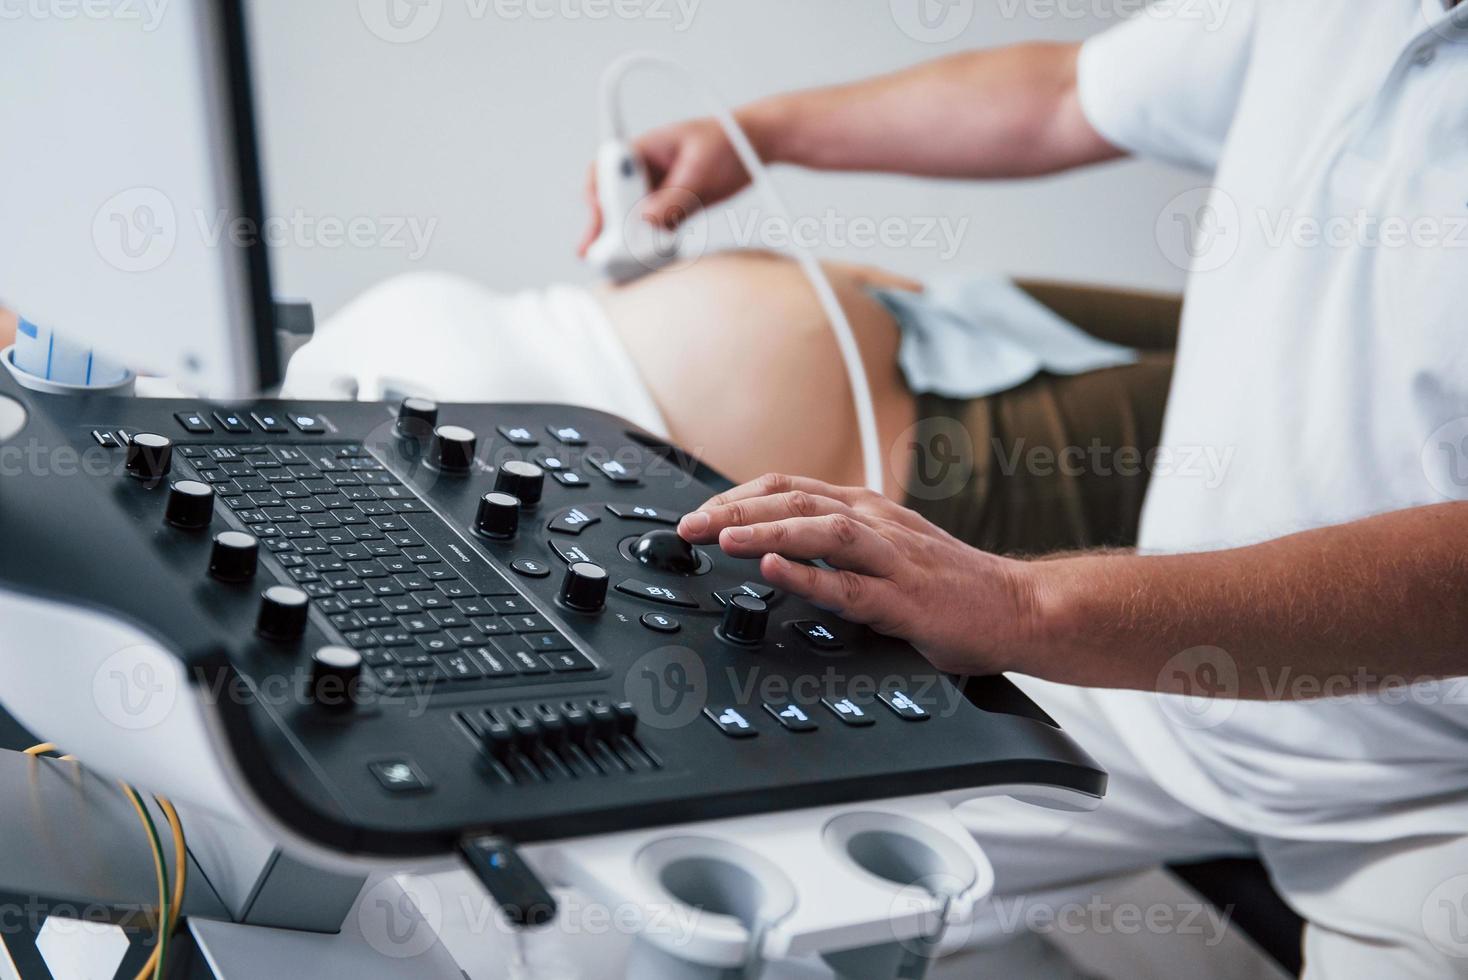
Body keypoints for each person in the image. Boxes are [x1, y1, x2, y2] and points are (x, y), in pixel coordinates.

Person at [579, 3, 1468, 977]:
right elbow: (1057, 96)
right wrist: (764, 133)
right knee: (716, 901)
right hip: (1164, 688)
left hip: (1426, 785)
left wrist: (1020, 603)